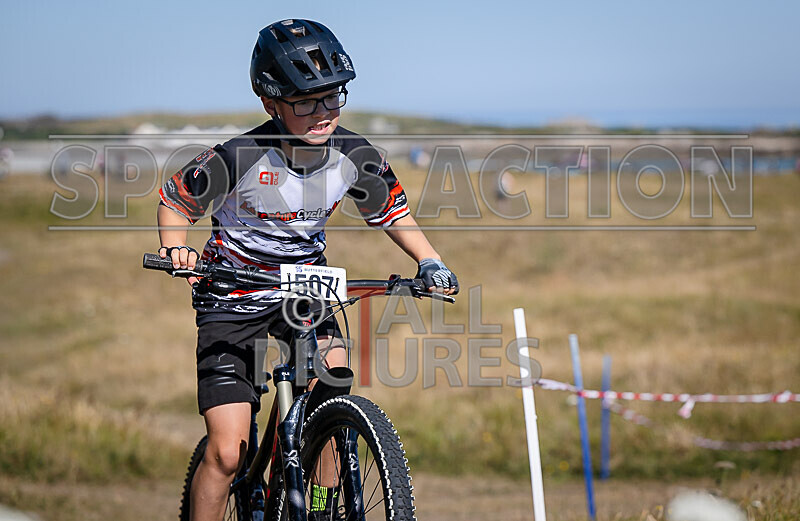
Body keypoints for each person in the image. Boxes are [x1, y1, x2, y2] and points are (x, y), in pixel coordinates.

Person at [156, 19, 458, 521]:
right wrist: (176, 250)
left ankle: (316, 505)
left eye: (332, 97)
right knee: (228, 451)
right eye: (304, 102)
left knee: (333, 381)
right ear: (271, 103)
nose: (323, 113)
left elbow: (392, 212)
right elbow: (174, 203)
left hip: (303, 287)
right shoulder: (239, 157)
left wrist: (430, 260)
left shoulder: (355, 154)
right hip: (233, 294)